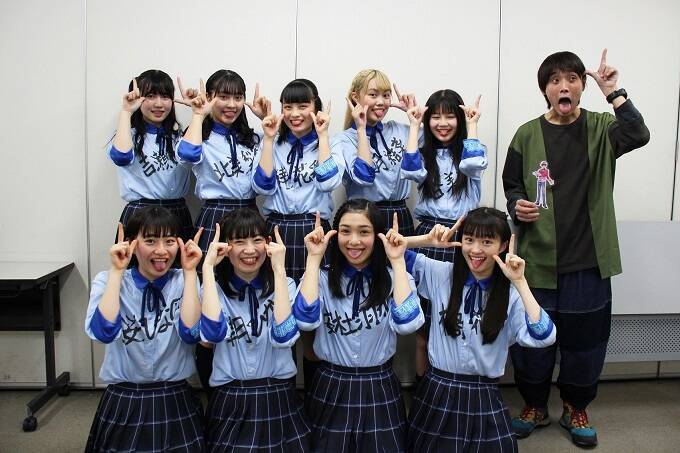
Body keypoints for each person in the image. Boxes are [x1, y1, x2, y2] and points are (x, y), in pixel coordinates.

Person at [502, 49, 650, 447]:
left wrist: (614, 92)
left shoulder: (602, 127)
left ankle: (575, 407)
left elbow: (639, 134)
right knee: (533, 342)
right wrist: (516, 204)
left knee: (585, 345)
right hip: (537, 260)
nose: (563, 86)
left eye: (571, 79)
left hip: (588, 260)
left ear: (582, 87)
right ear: (545, 91)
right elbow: (511, 183)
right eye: (554, 80)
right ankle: (534, 406)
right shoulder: (526, 134)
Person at [402, 207, 555, 452]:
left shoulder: (510, 294)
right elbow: (385, 251)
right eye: (469, 239)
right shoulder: (441, 273)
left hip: (483, 394)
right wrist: (425, 241)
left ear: (503, 245)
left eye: (487, 242)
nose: (475, 250)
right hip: (438, 390)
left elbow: (544, 335)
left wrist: (520, 282)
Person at [294, 199, 424, 452]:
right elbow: (304, 321)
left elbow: (408, 324)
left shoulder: (395, 277)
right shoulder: (320, 277)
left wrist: (397, 261)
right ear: (335, 235)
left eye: (364, 232)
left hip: (379, 384)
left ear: (378, 236)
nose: (354, 241)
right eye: (345, 231)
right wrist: (314, 259)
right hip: (331, 384)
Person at [177, 69, 268, 394]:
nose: (231, 104)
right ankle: (213, 392)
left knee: (248, 295)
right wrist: (198, 115)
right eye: (223, 96)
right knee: (209, 298)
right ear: (210, 97)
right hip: (214, 216)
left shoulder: (253, 138)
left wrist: (266, 125)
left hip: (249, 215)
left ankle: (249, 375)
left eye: (237, 97)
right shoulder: (199, 134)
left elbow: (265, 181)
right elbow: (187, 155)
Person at [84, 206, 204, 452]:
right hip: (125, 397)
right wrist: (117, 272)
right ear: (132, 244)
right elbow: (103, 332)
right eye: (150, 241)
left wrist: (191, 272)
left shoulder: (183, 280)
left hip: (174, 395)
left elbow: (191, 333)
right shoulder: (107, 280)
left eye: (169, 241)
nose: (161, 251)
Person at [252, 78, 345, 394]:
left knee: (312, 316)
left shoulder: (329, 143)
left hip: (314, 233)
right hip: (277, 231)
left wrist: (323, 136)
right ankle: (285, 396)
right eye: (288, 106)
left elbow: (329, 183)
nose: (295, 113)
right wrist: (268, 140)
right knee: (278, 310)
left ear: (315, 108)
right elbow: (262, 186)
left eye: (303, 105)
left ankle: (315, 398)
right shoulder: (272, 141)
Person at [199, 208, 311, 452]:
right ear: (225, 247)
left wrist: (279, 270)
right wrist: (207, 268)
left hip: (278, 394)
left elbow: (285, 337)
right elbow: (211, 335)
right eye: (239, 241)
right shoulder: (212, 290)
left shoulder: (286, 284)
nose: (250, 250)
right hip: (230, 397)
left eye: (257, 240)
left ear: (268, 244)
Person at [400, 89, 488, 384]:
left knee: (457, 319)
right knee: (424, 329)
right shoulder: (422, 150)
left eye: (450, 116)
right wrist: (414, 126)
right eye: (435, 116)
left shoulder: (473, 149)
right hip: (428, 236)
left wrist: (472, 125)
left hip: (464, 237)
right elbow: (410, 172)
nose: (442, 123)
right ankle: (424, 393)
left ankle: (455, 386)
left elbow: (473, 165)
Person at [332, 69, 420, 235]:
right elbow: (364, 177)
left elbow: (438, 140)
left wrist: (414, 118)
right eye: (373, 95)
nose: (381, 102)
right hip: (362, 216)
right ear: (355, 97)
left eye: (386, 95)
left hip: (399, 214)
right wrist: (361, 129)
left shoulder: (399, 130)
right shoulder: (343, 140)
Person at [108, 70, 194, 240]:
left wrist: (198, 112)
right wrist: (126, 111)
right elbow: (121, 157)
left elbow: (192, 154)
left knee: (183, 258)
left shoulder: (180, 138)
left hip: (177, 212)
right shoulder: (128, 136)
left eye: (165, 96)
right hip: (141, 213)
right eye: (150, 96)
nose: (159, 104)